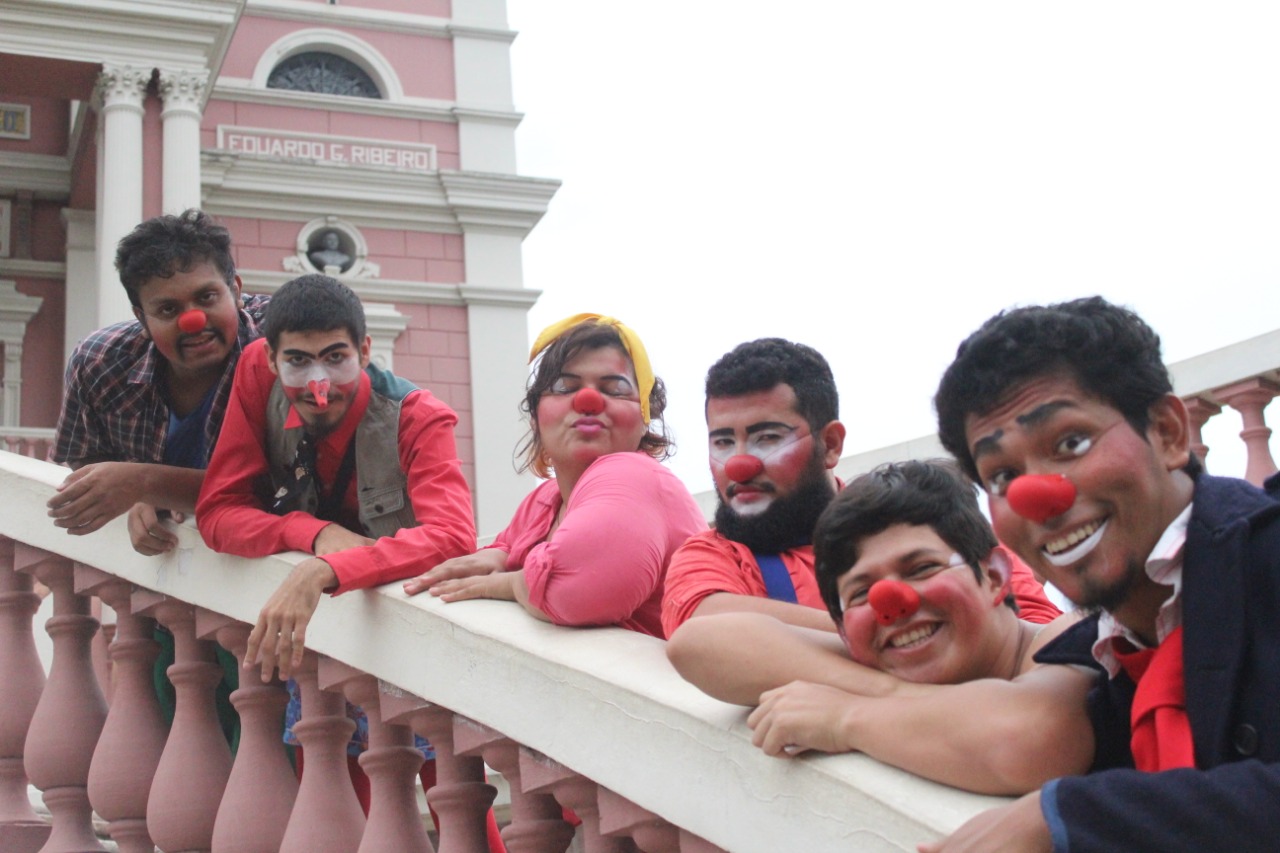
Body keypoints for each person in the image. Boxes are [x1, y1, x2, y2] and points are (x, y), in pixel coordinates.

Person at [922, 296, 1280, 853]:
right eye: (1002, 475)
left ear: (1166, 432)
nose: (1038, 497)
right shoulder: (1097, 657)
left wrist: (1063, 816)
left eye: (1071, 443)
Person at [194, 275, 499, 842]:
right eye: (298, 361)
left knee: (458, 806)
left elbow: (454, 537)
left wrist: (325, 570)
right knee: (330, 799)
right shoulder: (256, 375)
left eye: (336, 358)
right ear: (270, 358)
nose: (318, 384)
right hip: (321, 641)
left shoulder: (417, 416)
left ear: (364, 350)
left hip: (414, 635)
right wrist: (312, 534)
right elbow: (218, 511)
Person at [668, 460, 1094, 795]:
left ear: (996, 577)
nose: (894, 604)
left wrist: (845, 717)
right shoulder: (885, 654)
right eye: (860, 593)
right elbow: (697, 644)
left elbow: (1029, 742)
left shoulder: (1071, 637)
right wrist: (899, 695)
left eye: (922, 568)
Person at [661, 338, 1059, 638]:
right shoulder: (710, 556)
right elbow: (709, 630)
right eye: (724, 442)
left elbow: (1043, 635)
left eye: (767, 437)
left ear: (831, 444)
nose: (739, 464)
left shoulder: (928, 517)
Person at [403, 313, 706, 638]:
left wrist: (507, 583)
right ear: (535, 417)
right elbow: (510, 544)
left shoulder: (636, 475)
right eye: (565, 387)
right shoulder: (545, 499)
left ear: (645, 417)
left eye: (614, 389)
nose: (587, 401)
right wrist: (500, 555)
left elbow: (578, 592)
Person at [49, 209, 268, 554]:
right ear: (141, 318)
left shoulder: (285, 347)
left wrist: (144, 483)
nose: (193, 321)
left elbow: (280, 489)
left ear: (236, 291)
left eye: (207, 297)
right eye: (167, 310)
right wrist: (134, 493)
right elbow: (83, 461)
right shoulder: (99, 363)